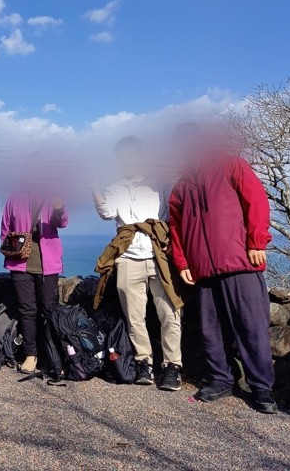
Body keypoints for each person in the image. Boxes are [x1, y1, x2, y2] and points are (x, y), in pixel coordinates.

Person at [168, 123, 277, 414]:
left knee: (251, 328)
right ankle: (220, 379)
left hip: (240, 263)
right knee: (210, 331)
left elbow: (256, 202)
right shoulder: (180, 187)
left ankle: (262, 388)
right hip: (202, 270)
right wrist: (182, 263)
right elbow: (175, 230)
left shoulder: (232, 165)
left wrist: (257, 242)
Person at [91, 136, 184, 391]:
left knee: (170, 313)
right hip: (129, 257)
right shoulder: (115, 188)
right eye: (124, 156)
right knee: (134, 317)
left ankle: (172, 365)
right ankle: (145, 362)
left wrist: (172, 243)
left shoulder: (159, 184)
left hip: (158, 255)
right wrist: (92, 186)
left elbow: (174, 211)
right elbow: (106, 212)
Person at [0, 155, 68, 374]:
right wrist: (12, 249)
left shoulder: (53, 195)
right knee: (27, 310)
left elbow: (62, 222)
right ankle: (31, 354)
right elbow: (5, 228)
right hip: (21, 264)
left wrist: (59, 209)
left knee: (49, 310)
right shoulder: (15, 197)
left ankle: (53, 354)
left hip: (48, 264)